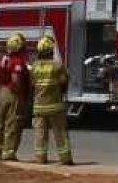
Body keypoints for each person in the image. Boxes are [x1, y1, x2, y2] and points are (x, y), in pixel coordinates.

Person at [29, 34, 73, 166]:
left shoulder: (34, 67)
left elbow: (31, 86)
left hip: (39, 106)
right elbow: (64, 84)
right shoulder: (57, 66)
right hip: (55, 106)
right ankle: (65, 159)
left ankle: (40, 158)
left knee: (40, 133)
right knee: (60, 133)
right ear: (51, 51)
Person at [0, 32, 31, 162]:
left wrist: (3, 85)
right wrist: (19, 92)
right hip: (14, 94)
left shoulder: (1, 59)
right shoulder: (17, 61)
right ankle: (8, 152)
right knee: (13, 123)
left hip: (2, 91)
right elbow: (16, 78)